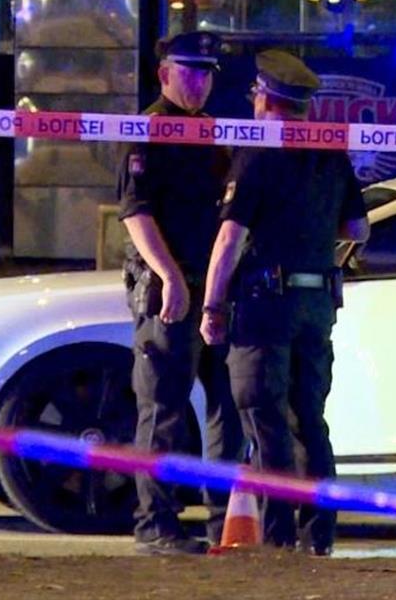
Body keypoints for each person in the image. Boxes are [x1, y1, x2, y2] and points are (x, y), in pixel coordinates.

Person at [200, 50, 370, 556]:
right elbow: (360, 228)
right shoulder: (329, 151)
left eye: (254, 94)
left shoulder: (257, 152)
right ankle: (319, 536)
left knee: (265, 417)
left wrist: (211, 306)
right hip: (317, 305)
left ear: (266, 97)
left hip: (266, 307)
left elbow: (230, 238)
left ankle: (276, 539)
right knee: (310, 419)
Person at [116, 31, 245, 555]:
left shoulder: (213, 132)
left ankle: (224, 525)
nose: (200, 81)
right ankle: (156, 526)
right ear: (163, 73)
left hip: (213, 288)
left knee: (227, 409)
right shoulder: (147, 130)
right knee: (163, 410)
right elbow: (135, 213)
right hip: (169, 289)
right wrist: (169, 276)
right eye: (190, 71)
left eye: (208, 72)